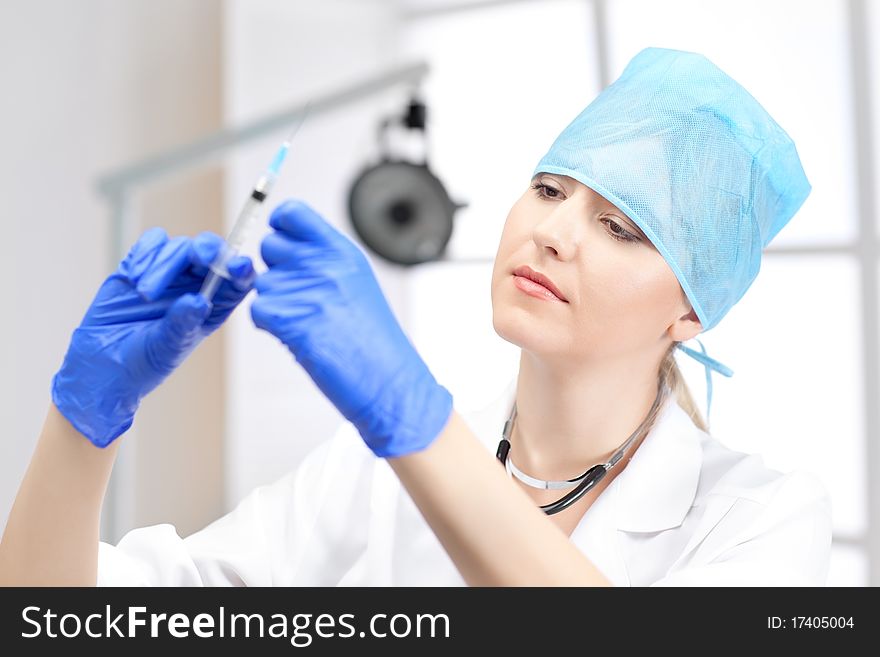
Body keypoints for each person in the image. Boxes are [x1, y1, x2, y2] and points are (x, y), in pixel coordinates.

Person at [0, 47, 831, 586]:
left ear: (691, 307)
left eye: (620, 227)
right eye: (548, 189)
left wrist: (412, 419)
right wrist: (83, 420)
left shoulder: (761, 519)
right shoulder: (364, 476)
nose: (551, 234)